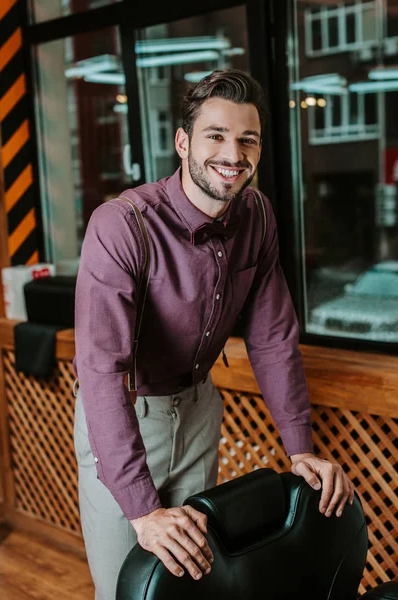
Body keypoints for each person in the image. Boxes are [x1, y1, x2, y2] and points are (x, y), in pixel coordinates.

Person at [73, 68, 355, 600]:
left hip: (201, 410)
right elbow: (101, 370)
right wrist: (142, 507)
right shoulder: (121, 225)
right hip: (126, 416)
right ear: (183, 142)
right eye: (216, 135)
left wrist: (300, 450)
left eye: (247, 139)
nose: (233, 153)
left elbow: (272, 336)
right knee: (125, 590)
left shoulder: (259, 216)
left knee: (194, 585)